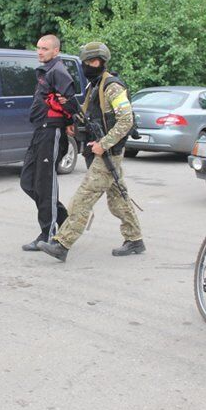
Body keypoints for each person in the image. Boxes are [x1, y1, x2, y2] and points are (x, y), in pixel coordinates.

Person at [37, 42, 144, 262]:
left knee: (82, 198)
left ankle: (62, 243)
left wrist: (103, 144)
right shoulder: (93, 86)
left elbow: (126, 120)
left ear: (103, 63)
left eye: (93, 61)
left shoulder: (112, 87)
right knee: (118, 198)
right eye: (86, 61)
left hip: (108, 152)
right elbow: (87, 115)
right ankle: (135, 239)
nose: (89, 65)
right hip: (102, 150)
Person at [19, 34, 78, 251]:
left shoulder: (58, 71)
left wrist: (69, 120)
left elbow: (71, 101)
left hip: (51, 132)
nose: (40, 51)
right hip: (39, 132)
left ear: (56, 51)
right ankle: (65, 220)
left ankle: (49, 234)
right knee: (27, 181)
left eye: (44, 48)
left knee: (46, 184)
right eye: (38, 48)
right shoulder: (47, 71)